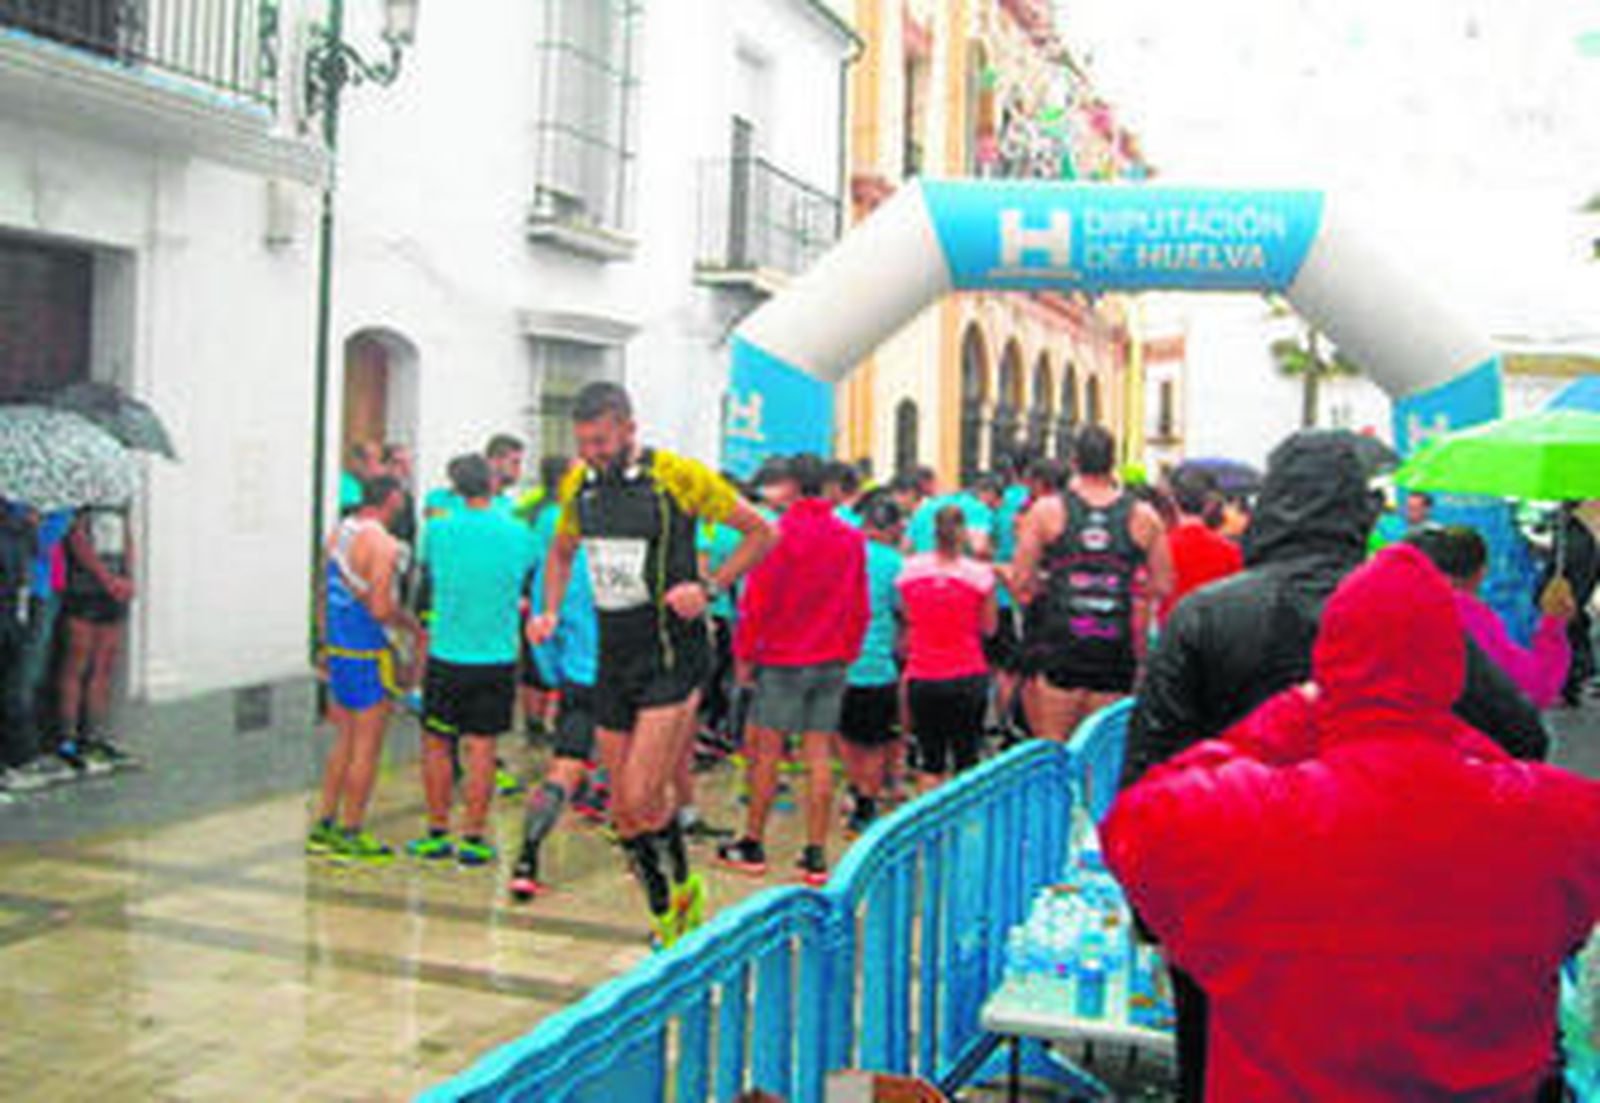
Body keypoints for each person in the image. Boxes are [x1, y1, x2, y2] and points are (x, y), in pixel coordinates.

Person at [1120, 428, 1552, 1103]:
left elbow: (1147, 777)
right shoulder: (1410, 615)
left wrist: (1166, 921)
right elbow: (1522, 738)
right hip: (1395, 916)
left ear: (1271, 506)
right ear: (1357, 511)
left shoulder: (1207, 616)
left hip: (1233, 912)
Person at [530, 382, 773, 948]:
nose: (593, 452)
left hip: (674, 656)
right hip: (613, 660)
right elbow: (562, 551)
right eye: (585, 442)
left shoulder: (678, 478)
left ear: (629, 428)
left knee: (641, 796)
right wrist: (547, 608)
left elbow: (764, 532)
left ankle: (678, 906)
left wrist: (711, 587)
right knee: (624, 810)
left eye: (602, 441)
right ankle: (673, 904)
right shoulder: (579, 485)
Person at [718, 454, 867, 886]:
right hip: (832, 658)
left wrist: (744, 655)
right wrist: (849, 648)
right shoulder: (850, 538)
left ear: (792, 486)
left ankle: (753, 842)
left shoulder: (776, 535)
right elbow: (859, 603)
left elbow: (757, 601)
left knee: (767, 752)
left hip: (782, 657)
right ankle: (815, 853)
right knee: (818, 753)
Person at [410, 454, 537, 867]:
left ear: (455, 486)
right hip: (497, 656)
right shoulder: (519, 533)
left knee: (437, 743)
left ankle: (436, 831)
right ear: (493, 484)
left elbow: (426, 575)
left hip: (447, 653)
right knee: (482, 747)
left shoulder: (437, 530)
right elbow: (528, 577)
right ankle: (475, 837)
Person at [1012, 425, 1173, 740]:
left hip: (1062, 648)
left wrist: (1054, 584)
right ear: (1113, 462)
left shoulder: (1047, 511)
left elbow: (1021, 580)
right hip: (1114, 651)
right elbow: (1164, 584)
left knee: (1056, 755)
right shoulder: (1143, 516)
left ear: (1074, 461)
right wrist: (1120, 586)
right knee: (1100, 761)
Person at [309, 476, 418, 861]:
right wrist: (412, 628)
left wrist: (323, 641)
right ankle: (351, 829)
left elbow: (323, 590)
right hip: (371, 654)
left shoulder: (340, 533)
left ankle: (324, 822)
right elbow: (380, 608)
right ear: (391, 499)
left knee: (344, 741)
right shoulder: (384, 545)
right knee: (367, 748)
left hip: (340, 649)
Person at [509, 538, 601, 900]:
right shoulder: (634, 559)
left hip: (577, 679)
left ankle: (526, 861)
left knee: (562, 769)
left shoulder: (557, 564)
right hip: (626, 685)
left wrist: (552, 676)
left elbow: (540, 630)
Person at [1408, 525, 1572, 709]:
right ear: (1481, 572)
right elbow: (1538, 686)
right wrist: (1553, 623)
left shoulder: (1398, 608)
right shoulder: (1468, 618)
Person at [897, 505, 997, 790]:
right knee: (967, 759)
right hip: (967, 672)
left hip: (923, 674)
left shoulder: (910, 571)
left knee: (930, 759)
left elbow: (907, 617)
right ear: (964, 533)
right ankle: (965, 828)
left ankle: (931, 831)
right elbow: (988, 628)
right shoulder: (980, 575)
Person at [837, 496, 905, 833]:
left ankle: (855, 789)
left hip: (839, 662)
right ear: (891, 528)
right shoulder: (895, 563)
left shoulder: (839, 557)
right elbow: (904, 609)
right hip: (878, 663)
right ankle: (867, 801)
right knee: (876, 740)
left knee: (846, 735)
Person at [55, 504, 139, 773]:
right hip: (84, 586)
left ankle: (94, 737)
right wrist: (107, 579)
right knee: (76, 664)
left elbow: (127, 534)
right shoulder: (79, 491)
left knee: (103, 666)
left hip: (114, 588)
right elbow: (76, 538)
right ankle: (67, 740)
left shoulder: (119, 489)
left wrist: (127, 576)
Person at [1, 507, 77, 791]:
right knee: (22, 676)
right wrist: (27, 523)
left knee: (34, 673)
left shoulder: (57, 503)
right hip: (27, 592)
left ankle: (28, 748)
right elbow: (40, 545)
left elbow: (52, 537)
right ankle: (21, 755)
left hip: (47, 588)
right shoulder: (15, 504)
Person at [1158, 465, 1243, 625]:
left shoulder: (1160, 548)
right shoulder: (1231, 552)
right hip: (1214, 638)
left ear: (1173, 501)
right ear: (1209, 504)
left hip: (1170, 636)